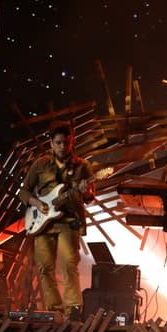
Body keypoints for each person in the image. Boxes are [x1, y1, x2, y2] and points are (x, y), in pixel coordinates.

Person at [18, 123, 95, 321]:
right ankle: (54, 309)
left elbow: (89, 197)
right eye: (59, 143)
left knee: (69, 263)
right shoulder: (40, 165)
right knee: (45, 267)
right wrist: (36, 202)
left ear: (72, 142)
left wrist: (85, 190)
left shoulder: (82, 166)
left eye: (66, 143)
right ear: (51, 143)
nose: (63, 147)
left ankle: (74, 308)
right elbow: (24, 191)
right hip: (43, 222)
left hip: (69, 222)